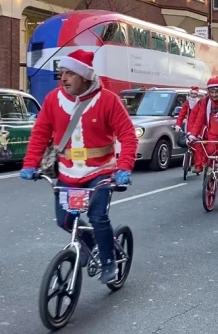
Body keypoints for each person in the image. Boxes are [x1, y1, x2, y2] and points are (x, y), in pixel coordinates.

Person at [20, 49, 137, 284]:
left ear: (85, 76)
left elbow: (128, 135)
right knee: (64, 219)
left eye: (70, 74)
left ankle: (108, 261)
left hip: (100, 172)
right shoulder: (54, 99)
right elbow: (40, 134)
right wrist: (30, 164)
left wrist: (124, 168)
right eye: (61, 73)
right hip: (67, 172)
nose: (63, 78)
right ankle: (89, 244)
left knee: (97, 216)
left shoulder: (108, 100)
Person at [175, 86, 204, 174]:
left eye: (195, 94)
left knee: (197, 145)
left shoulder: (200, 104)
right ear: (189, 94)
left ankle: (199, 165)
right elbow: (181, 114)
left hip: (199, 126)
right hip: (189, 126)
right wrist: (178, 125)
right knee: (189, 143)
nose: (193, 96)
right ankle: (190, 161)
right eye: (192, 94)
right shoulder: (187, 104)